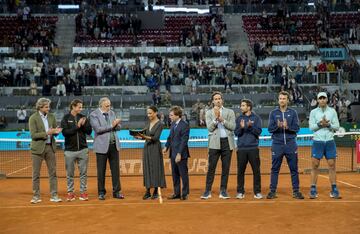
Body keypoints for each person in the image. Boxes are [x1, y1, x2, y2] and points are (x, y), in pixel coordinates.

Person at [267, 91, 304, 199]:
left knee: (294, 169)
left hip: (290, 144)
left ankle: (296, 191)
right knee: (275, 169)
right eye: (280, 98)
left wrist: (288, 128)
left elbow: (297, 129)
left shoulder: (293, 113)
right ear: (278, 100)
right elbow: (270, 129)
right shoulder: (273, 113)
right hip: (277, 144)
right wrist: (277, 127)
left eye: (284, 98)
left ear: (288, 100)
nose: (282, 100)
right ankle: (272, 191)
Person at [201, 91, 236, 200]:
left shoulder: (230, 112)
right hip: (214, 144)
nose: (218, 100)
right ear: (213, 101)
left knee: (226, 168)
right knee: (211, 168)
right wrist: (216, 119)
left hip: (227, 143)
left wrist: (223, 120)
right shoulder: (209, 113)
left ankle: (223, 191)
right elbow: (210, 128)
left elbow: (233, 126)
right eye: (215, 99)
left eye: (219, 98)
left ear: (222, 100)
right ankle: (207, 191)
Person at [28, 98, 62, 204]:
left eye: (48, 106)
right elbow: (33, 135)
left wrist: (56, 131)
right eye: (47, 106)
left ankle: (54, 195)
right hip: (37, 149)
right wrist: (47, 133)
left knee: (53, 173)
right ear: (40, 107)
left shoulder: (51, 117)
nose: (49, 108)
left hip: (50, 148)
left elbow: (54, 131)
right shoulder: (33, 118)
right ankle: (36, 196)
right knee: (36, 174)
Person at [90, 97, 124, 200]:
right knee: (101, 171)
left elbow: (117, 127)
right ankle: (101, 192)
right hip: (101, 147)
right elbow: (98, 129)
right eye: (107, 106)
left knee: (115, 171)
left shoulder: (112, 113)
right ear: (101, 105)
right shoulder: (93, 115)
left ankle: (117, 192)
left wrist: (117, 125)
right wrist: (112, 125)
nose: (109, 107)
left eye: (109, 105)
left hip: (114, 145)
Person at [309, 92, 340, 199]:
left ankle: (334, 188)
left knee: (332, 165)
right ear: (317, 100)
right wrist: (320, 124)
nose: (322, 100)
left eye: (324, 98)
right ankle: (313, 189)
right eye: (320, 98)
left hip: (330, 141)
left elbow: (337, 126)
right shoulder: (313, 112)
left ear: (327, 100)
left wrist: (328, 125)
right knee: (315, 165)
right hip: (317, 141)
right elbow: (311, 127)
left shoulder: (332, 111)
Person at [61, 99, 92, 201]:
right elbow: (65, 133)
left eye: (81, 107)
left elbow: (89, 131)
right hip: (69, 151)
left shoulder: (83, 117)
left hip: (83, 149)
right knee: (70, 174)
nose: (81, 109)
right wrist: (77, 126)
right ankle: (70, 193)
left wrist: (83, 125)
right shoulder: (65, 118)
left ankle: (83, 193)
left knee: (83, 173)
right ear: (73, 107)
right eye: (79, 107)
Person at [134, 106, 166, 200]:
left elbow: (155, 138)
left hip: (155, 148)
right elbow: (144, 135)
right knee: (147, 168)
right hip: (147, 148)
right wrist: (138, 136)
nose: (149, 115)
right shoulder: (148, 123)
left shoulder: (160, 124)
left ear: (155, 113)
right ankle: (147, 191)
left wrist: (143, 136)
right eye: (148, 113)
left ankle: (156, 190)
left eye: (150, 113)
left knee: (155, 168)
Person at [234, 99, 263, 199]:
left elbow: (258, 132)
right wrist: (242, 128)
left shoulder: (257, 118)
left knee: (256, 171)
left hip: (253, 148)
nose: (241, 107)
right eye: (241, 105)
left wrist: (250, 127)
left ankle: (257, 192)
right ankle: (240, 192)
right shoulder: (238, 119)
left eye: (243, 105)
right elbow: (236, 133)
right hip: (241, 149)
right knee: (240, 171)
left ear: (248, 107)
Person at [163, 106, 190, 200]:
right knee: (175, 175)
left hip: (181, 154)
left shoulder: (185, 125)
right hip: (172, 153)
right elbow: (170, 137)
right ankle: (176, 193)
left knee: (183, 174)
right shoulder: (173, 124)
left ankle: (185, 193)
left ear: (177, 115)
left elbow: (184, 141)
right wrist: (166, 147)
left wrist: (179, 153)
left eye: (171, 115)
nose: (169, 116)